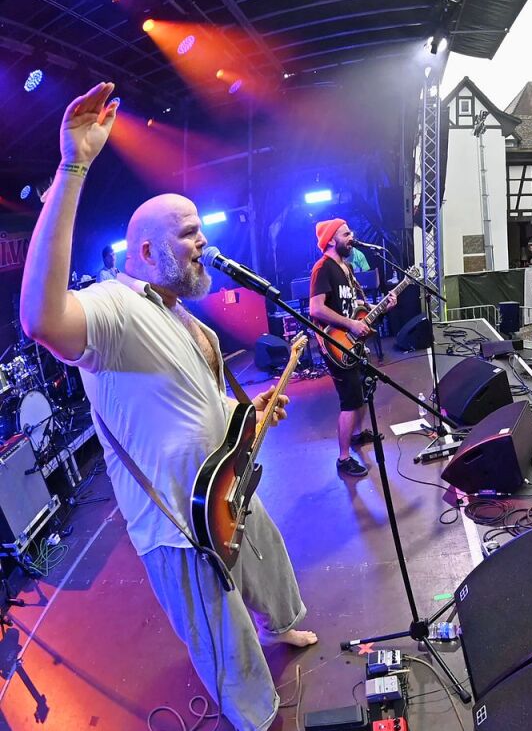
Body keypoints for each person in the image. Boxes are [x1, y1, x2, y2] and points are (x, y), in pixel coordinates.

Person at [20, 83, 316, 731]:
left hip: (224, 488)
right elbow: (41, 318)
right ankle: (257, 717)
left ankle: (285, 622)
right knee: (225, 636)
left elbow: (204, 405)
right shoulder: (114, 307)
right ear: (148, 252)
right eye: (188, 234)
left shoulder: (193, 324)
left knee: (266, 553)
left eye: (201, 230)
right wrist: (74, 166)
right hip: (177, 525)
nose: (202, 244)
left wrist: (253, 412)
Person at [310, 219, 397, 477]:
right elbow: (316, 308)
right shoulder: (323, 268)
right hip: (337, 345)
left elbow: (356, 309)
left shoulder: (346, 269)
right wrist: (350, 324)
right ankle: (343, 458)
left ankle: (358, 435)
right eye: (346, 234)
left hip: (353, 344)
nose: (352, 237)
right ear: (330, 239)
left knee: (363, 391)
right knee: (350, 400)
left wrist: (381, 307)